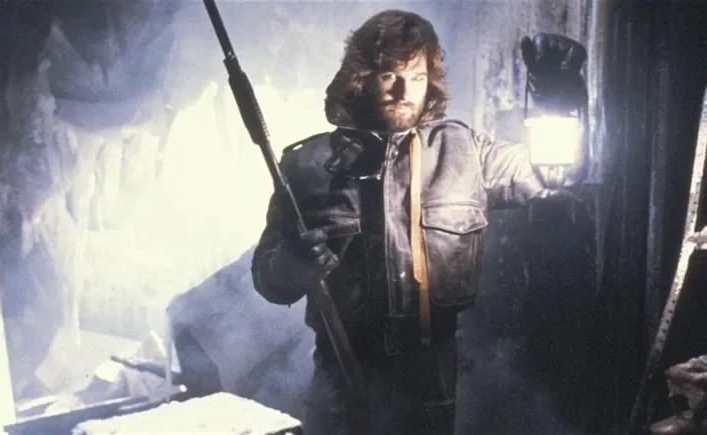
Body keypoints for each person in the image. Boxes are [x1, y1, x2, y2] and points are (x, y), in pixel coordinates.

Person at [250, 9, 586, 435]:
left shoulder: (466, 153)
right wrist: (292, 263)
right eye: (390, 75)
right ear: (361, 78)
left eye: (417, 77)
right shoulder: (306, 166)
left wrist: (556, 100)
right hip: (341, 386)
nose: (404, 91)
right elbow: (267, 280)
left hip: (432, 383)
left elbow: (556, 174)